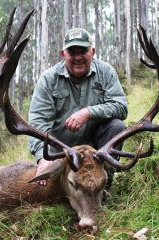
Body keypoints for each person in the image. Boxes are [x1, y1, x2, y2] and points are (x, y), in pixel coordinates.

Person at [28, 28, 128, 187]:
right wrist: (43, 158)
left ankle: (104, 184)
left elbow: (121, 107)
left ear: (93, 51)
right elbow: (38, 122)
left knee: (116, 126)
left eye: (83, 51)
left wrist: (88, 112)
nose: (78, 57)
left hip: (95, 153)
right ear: (63, 54)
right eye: (72, 52)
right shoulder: (48, 79)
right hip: (61, 152)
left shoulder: (106, 72)